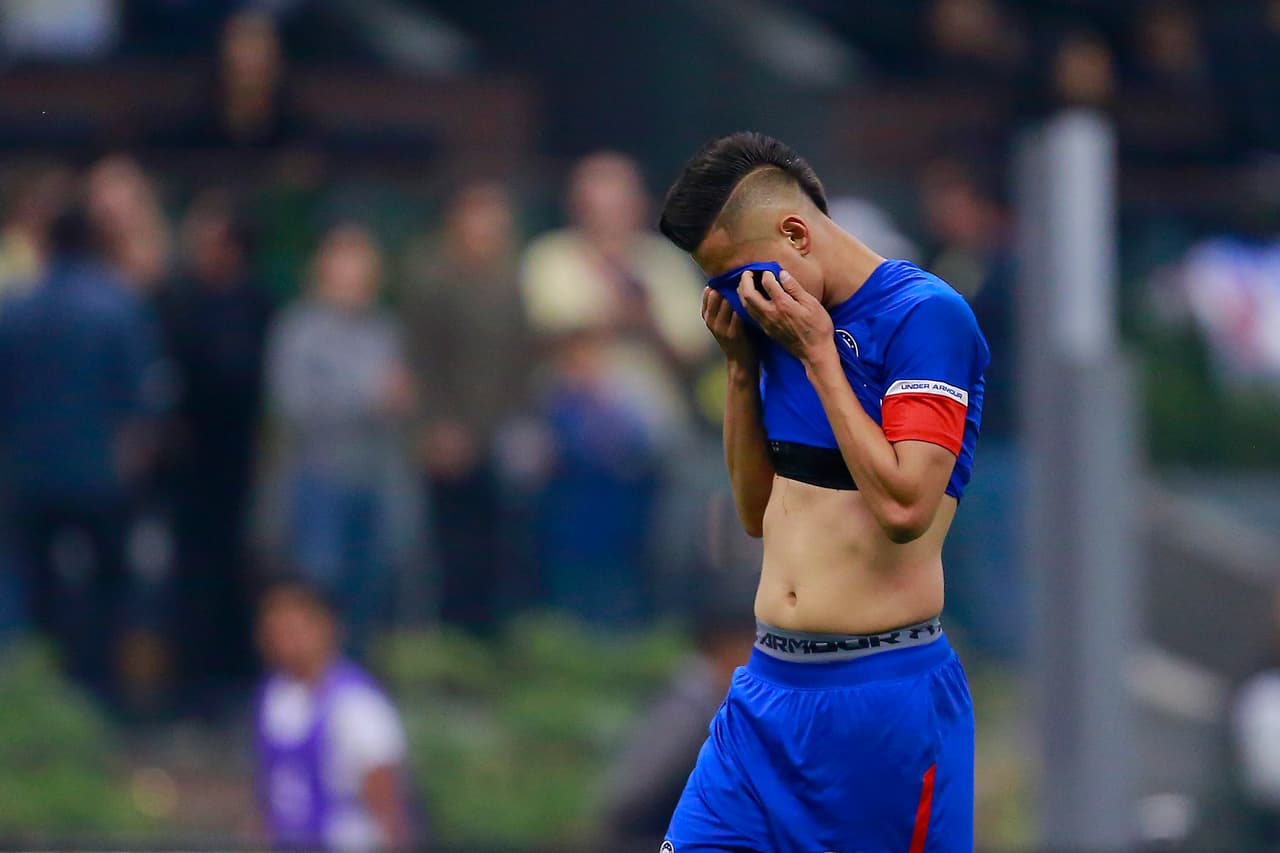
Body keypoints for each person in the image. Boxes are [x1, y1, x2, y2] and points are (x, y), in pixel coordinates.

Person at [655, 132, 987, 851]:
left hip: (879, 700)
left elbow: (905, 507)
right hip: (766, 688)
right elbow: (755, 513)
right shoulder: (779, 325)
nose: (737, 299)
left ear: (796, 235)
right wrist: (740, 370)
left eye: (736, 277)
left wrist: (819, 355)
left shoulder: (925, 318)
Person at [0, 202, 162, 703]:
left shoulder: (15, 308)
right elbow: (141, 395)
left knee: (35, 587)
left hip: (29, 473)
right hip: (101, 475)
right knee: (110, 586)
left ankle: (38, 693)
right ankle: (101, 691)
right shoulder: (118, 305)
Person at [265, 223, 417, 656]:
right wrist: (367, 399)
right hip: (320, 479)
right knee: (317, 593)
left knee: (368, 595)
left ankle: (352, 682)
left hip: (375, 480)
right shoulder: (299, 329)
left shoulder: (384, 329)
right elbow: (293, 405)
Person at [159, 190, 275, 711]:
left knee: (242, 569)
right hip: (188, 465)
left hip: (243, 461)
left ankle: (238, 673)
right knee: (190, 572)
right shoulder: (180, 301)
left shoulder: (259, 304)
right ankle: (189, 680)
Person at [400, 181, 530, 634]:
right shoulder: (431, 276)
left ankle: (494, 636)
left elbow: (520, 357)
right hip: (448, 431)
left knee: (501, 543)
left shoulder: (510, 279)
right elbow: (421, 358)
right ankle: (449, 638)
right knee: (450, 545)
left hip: (500, 426)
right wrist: (435, 425)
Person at [254, 578, 417, 852]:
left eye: (295, 630)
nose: (285, 642)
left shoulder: (356, 703)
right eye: (276, 631)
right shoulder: (273, 696)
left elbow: (385, 799)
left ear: (326, 627)